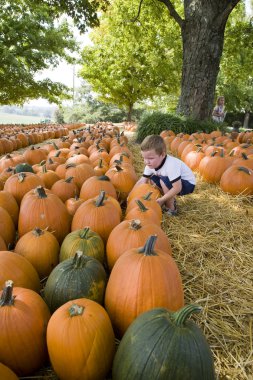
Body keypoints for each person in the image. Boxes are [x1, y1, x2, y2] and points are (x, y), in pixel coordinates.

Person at [134, 135, 196, 216]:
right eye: (144, 158)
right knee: (151, 179)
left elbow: (177, 188)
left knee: (163, 181)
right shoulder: (149, 165)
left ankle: (171, 208)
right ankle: (169, 199)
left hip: (187, 184)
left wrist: (163, 199)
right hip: (173, 182)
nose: (146, 162)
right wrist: (131, 195)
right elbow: (142, 180)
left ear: (162, 155)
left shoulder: (171, 165)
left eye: (150, 158)